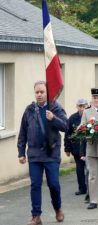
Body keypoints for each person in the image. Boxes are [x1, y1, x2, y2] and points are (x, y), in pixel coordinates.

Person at [18, 81, 67, 225]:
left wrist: (54, 118)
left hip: (51, 154)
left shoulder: (55, 107)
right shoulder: (29, 110)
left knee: (53, 184)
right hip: (34, 155)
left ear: (47, 92)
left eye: (42, 92)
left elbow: (65, 126)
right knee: (35, 185)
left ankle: (58, 208)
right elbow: (23, 132)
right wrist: (21, 152)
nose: (39, 95)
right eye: (37, 92)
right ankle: (36, 216)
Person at [64, 99, 88, 196]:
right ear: (77, 107)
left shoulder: (91, 116)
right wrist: (67, 148)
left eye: (84, 106)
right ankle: (82, 188)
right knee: (79, 170)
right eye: (80, 106)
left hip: (89, 148)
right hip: (77, 149)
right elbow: (68, 134)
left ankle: (93, 188)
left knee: (91, 169)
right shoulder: (72, 118)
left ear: (87, 106)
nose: (82, 108)